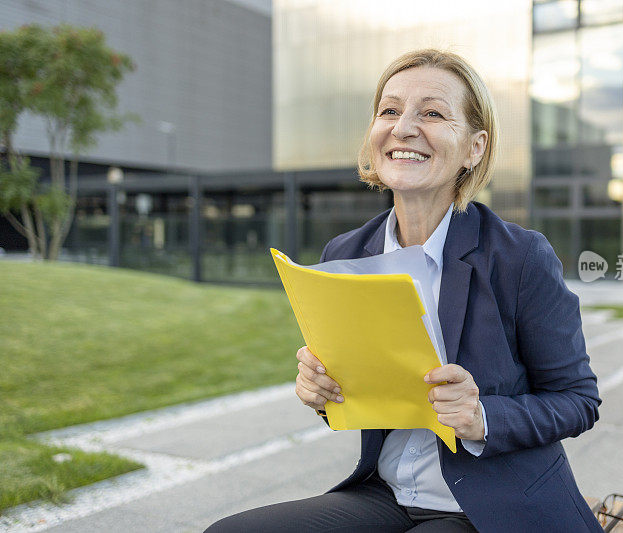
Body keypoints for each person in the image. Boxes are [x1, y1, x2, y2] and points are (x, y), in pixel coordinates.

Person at [206, 48, 602, 533]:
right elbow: (359, 400)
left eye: (432, 113)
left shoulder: (520, 257)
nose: (404, 127)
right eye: (389, 111)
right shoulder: (346, 252)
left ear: (475, 147)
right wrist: (323, 390)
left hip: (495, 507)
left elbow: (578, 400)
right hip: (388, 495)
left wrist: (483, 416)